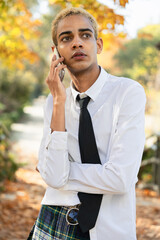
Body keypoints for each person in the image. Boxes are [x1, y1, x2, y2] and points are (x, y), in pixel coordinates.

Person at [27, 7, 146, 240]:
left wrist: (59, 172)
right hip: (56, 220)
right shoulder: (53, 102)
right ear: (56, 52)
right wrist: (60, 101)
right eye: (66, 38)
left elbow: (120, 179)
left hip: (109, 229)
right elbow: (52, 176)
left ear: (98, 45)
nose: (77, 43)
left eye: (85, 35)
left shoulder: (127, 93)